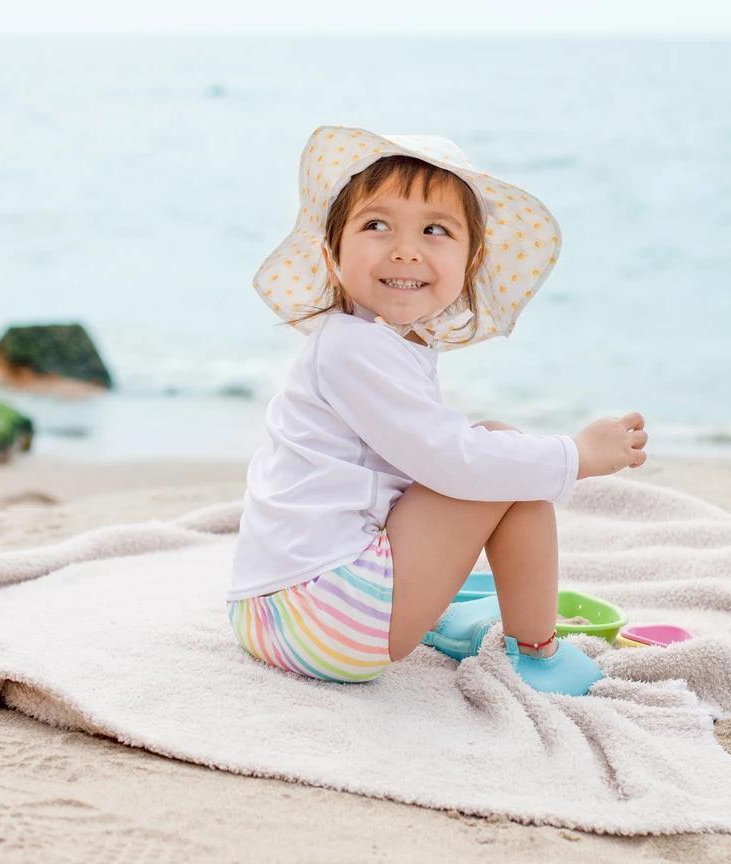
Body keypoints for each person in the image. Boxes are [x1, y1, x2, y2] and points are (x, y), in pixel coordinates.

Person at [226, 125, 648, 692]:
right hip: (328, 619)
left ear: (470, 264)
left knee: (499, 451)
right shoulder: (355, 348)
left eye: (435, 230)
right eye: (376, 226)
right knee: (505, 464)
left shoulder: (370, 342)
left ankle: (429, 608)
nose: (404, 248)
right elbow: (455, 462)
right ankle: (537, 652)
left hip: (269, 608)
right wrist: (577, 455)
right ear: (331, 255)